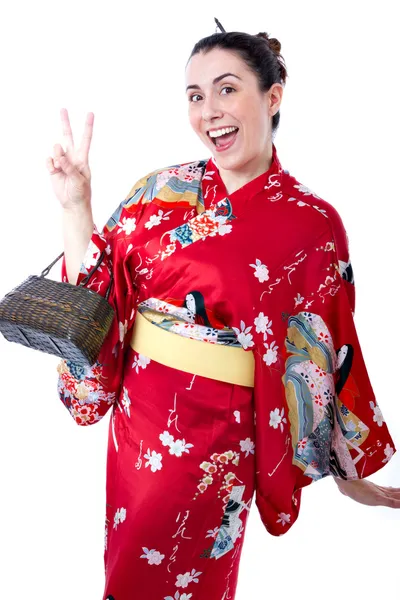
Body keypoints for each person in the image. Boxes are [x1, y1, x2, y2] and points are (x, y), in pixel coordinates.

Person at [47, 21, 399, 600]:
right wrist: (76, 205)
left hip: (223, 440)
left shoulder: (313, 224)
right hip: (142, 426)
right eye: (195, 95)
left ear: (273, 96)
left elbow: (325, 346)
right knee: (129, 572)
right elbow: (96, 293)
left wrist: (347, 468)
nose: (209, 110)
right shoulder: (159, 192)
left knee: (198, 580)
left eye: (227, 89)